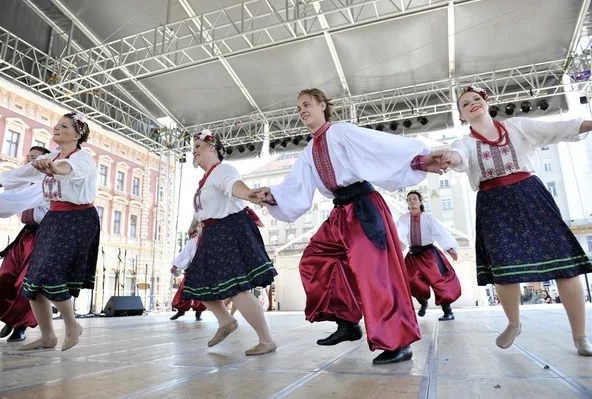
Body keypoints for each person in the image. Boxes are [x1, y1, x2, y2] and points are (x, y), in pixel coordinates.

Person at [253, 88, 444, 364]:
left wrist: (419, 160)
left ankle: (399, 342)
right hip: (340, 212)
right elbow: (297, 187)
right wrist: (272, 195)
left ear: (322, 106)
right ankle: (347, 322)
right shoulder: (309, 150)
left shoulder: (341, 132)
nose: (302, 111)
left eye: (306, 104)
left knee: (376, 274)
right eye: (298, 108)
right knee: (315, 258)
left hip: (363, 207)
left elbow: (381, 148)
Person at [440, 85, 592, 356]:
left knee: (564, 265)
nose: (473, 103)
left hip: (530, 195)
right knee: (503, 264)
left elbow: (554, 129)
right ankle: (513, 322)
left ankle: (580, 336)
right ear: (462, 115)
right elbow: (457, 156)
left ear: (487, 103)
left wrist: (586, 124)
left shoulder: (517, 126)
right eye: (465, 104)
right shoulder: (465, 142)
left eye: (477, 99)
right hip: (493, 203)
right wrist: (449, 158)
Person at [0, 111, 99, 351]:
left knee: (51, 273)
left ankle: (72, 326)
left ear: (77, 134)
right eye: (57, 124)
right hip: (54, 218)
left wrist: (51, 166)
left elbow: (64, 168)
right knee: (33, 280)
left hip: (77, 218)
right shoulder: (50, 157)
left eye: (63, 125)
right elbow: (12, 177)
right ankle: (47, 336)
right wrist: (44, 164)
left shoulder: (83, 158)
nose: (56, 127)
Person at [182, 129, 277, 356]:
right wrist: (193, 224)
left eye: (198, 146)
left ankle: (266, 340)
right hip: (213, 232)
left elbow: (234, 186)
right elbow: (203, 207)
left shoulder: (222, 170)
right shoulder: (205, 181)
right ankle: (226, 321)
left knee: (236, 288)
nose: (193, 151)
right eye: (192, 147)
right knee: (196, 281)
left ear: (213, 148)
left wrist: (249, 195)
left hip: (229, 230)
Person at [0, 146, 50, 342]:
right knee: (3, 279)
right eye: (28, 158)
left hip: (41, 238)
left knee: (24, 283)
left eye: (35, 158)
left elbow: (12, 202)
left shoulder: (45, 184)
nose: (29, 162)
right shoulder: (27, 182)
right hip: (25, 235)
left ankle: (21, 326)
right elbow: (9, 190)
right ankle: (9, 317)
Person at [396, 190, 461, 321]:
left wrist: (450, 248)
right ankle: (423, 302)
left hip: (429, 254)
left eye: (414, 198)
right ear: (407, 204)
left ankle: (448, 311)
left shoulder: (428, 217)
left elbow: (440, 233)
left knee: (438, 281)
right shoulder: (403, 219)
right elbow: (399, 233)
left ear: (420, 202)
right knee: (410, 280)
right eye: (409, 199)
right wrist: (399, 244)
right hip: (413, 255)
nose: (412, 201)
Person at [170, 236, 206, 321]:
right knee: (184, 289)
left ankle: (198, 312)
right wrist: (175, 265)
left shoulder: (210, 238)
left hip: (204, 270)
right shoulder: (192, 242)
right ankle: (181, 310)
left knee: (202, 291)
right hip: (192, 269)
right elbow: (184, 253)